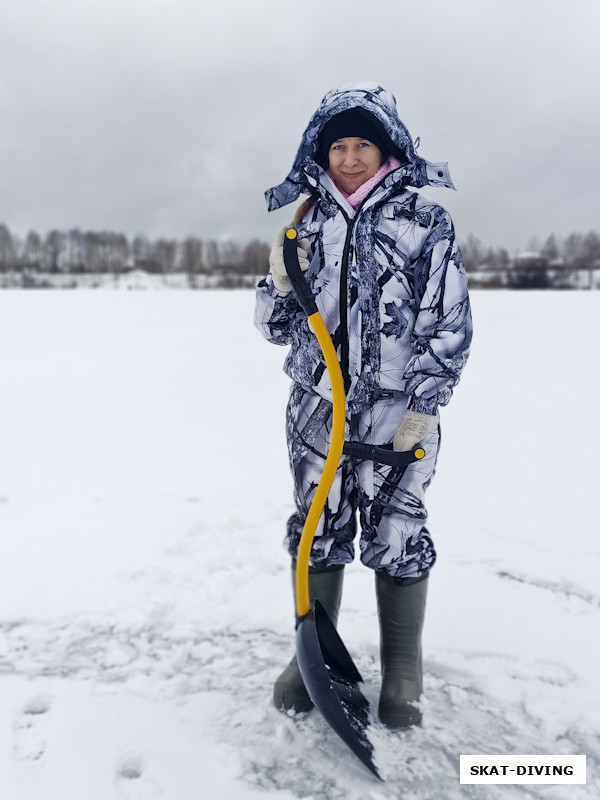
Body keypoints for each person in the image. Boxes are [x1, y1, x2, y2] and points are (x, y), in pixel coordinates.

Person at [255, 83, 472, 728]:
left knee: (397, 529)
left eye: (363, 145)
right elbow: (274, 328)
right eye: (339, 146)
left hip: (397, 412)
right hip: (319, 409)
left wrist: (422, 408)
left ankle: (403, 668)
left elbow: (450, 323)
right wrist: (277, 280)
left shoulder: (425, 222)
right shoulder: (304, 223)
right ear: (321, 153)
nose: (350, 158)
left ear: (386, 151)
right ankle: (313, 657)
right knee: (316, 530)